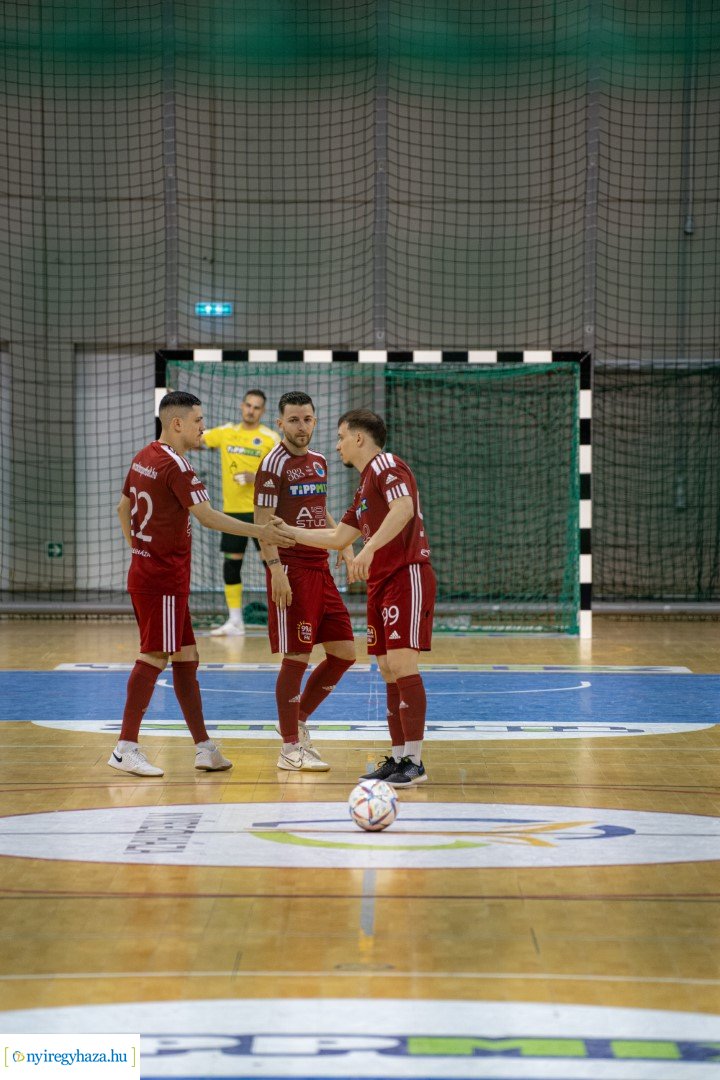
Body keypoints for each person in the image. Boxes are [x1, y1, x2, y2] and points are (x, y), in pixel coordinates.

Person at [110, 390, 294, 778]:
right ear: (177, 423)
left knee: (187, 660)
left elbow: (123, 507)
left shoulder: (145, 455)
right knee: (154, 657)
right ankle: (125, 746)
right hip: (161, 580)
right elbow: (209, 517)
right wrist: (262, 530)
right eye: (198, 420)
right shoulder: (177, 467)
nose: (203, 427)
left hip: (154, 575)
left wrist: (138, 551)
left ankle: (204, 747)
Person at [277, 408, 435, 787]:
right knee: (385, 667)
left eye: (341, 437)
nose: (337, 445)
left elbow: (404, 509)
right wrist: (288, 531)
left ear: (359, 438)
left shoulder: (387, 465)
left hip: (406, 575)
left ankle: (414, 761)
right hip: (380, 584)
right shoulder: (365, 484)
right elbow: (336, 538)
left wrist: (367, 550)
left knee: (401, 663)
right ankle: (398, 759)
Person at [254, 391, 356, 773]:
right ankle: (289, 747)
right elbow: (262, 521)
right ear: (280, 423)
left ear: (316, 420)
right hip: (292, 567)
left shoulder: (320, 461)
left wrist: (343, 545)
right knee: (297, 656)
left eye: (307, 419)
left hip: (321, 566)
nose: (302, 427)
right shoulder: (272, 464)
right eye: (294, 420)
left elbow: (319, 507)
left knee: (345, 652)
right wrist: (275, 569)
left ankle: (298, 720)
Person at [201, 389, 280, 635]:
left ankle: (280, 617)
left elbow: (282, 474)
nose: (251, 410)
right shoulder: (226, 433)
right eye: (248, 405)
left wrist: (256, 477)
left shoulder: (271, 438)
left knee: (271, 563)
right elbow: (194, 439)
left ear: (263, 411)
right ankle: (235, 621)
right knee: (232, 563)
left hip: (262, 511)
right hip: (232, 512)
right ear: (241, 405)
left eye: (256, 407)